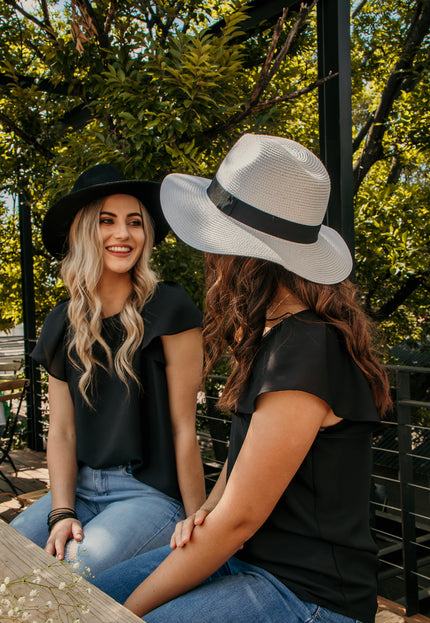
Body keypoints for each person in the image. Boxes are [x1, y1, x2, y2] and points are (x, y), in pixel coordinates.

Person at [92, 134, 392, 623]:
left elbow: (241, 521)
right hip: (250, 558)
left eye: (215, 242)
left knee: (111, 609)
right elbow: (243, 464)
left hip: (308, 592)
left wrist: (123, 616)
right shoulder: (279, 336)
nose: (209, 258)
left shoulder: (306, 349)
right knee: (87, 592)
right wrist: (205, 511)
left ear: (244, 256)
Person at [11, 163, 206, 576]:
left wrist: (200, 525)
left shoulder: (171, 308)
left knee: (65, 579)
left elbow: (183, 428)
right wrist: (60, 512)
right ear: (84, 232)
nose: (123, 234)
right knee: (9, 562)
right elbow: (62, 432)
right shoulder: (61, 322)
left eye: (134, 222)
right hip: (80, 489)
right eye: (107, 221)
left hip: (149, 494)